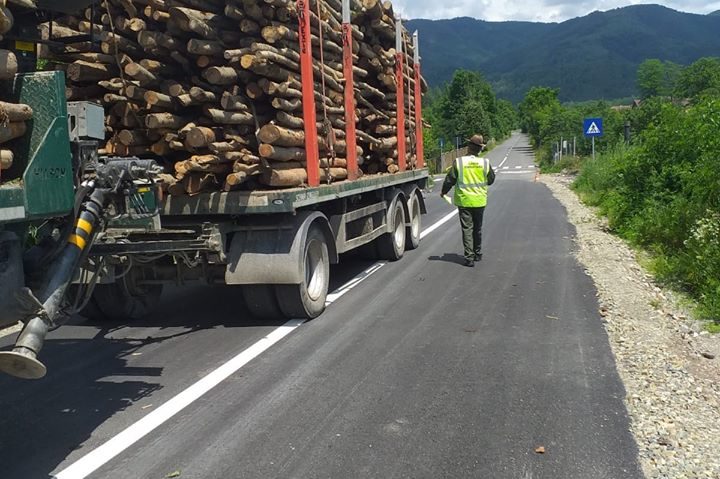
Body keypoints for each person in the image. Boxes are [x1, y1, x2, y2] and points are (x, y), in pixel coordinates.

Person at [440, 134, 496, 267]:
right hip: (480, 201)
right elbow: (491, 179)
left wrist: (444, 192)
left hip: (464, 201)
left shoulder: (460, 162)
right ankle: (477, 253)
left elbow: (450, 179)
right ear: (479, 149)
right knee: (477, 228)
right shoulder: (485, 163)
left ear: (469, 147)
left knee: (467, 229)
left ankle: (469, 257)